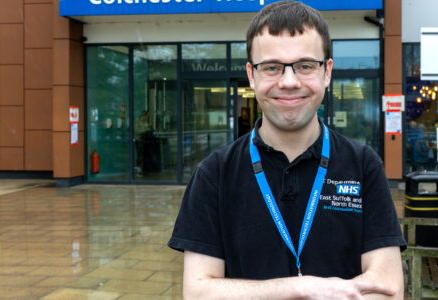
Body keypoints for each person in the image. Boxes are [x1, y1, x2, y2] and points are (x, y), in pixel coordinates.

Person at [168, 1, 406, 299]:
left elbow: (388, 291)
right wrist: (299, 288)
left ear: (327, 72)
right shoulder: (214, 174)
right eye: (272, 67)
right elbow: (198, 292)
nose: (289, 81)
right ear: (252, 76)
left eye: (305, 66)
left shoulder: (363, 165)